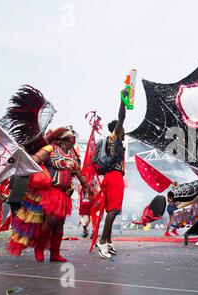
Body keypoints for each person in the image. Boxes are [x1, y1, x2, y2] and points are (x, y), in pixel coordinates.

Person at [8, 127, 93, 262]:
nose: (74, 141)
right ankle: (39, 248)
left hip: (64, 194)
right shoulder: (50, 149)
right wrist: (22, 153)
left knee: (59, 224)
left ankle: (55, 253)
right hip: (51, 192)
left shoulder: (72, 154)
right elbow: (35, 159)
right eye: (71, 138)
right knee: (50, 221)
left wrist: (87, 186)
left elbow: (79, 173)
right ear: (61, 140)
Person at [96, 90, 127, 259]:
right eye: (122, 129)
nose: (124, 131)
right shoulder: (114, 138)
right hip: (114, 177)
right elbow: (121, 117)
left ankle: (107, 241)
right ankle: (102, 242)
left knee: (111, 210)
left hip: (112, 177)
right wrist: (123, 99)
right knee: (113, 210)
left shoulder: (116, 142)